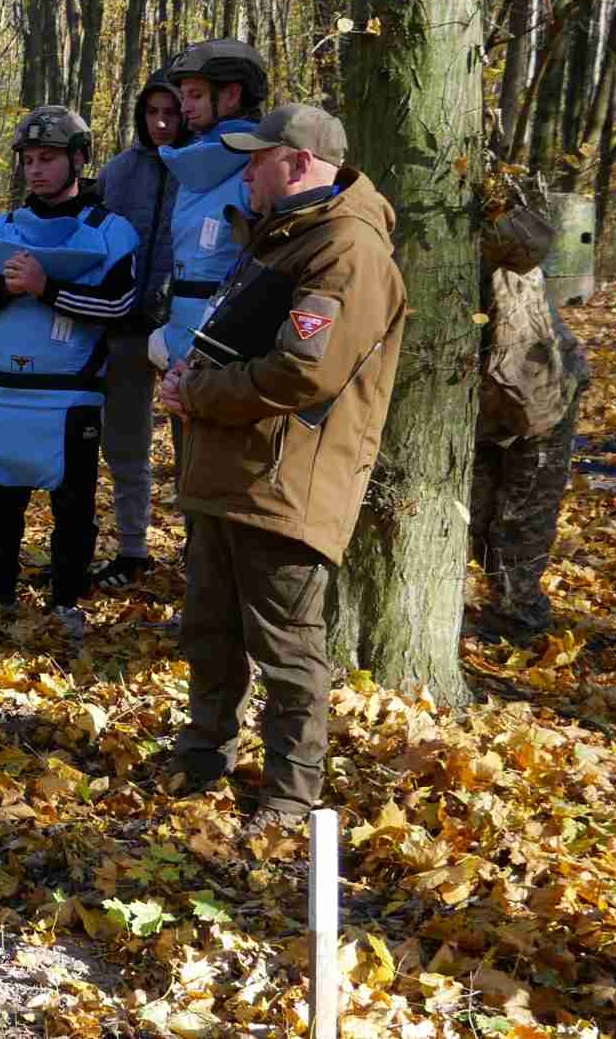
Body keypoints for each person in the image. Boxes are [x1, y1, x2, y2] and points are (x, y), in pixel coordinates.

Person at [157, 104, 405, 833]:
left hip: (285, 482)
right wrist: (188, 382)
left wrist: (197, 393)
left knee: (288, 649)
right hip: (229, 473)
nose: (247, 172)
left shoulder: (347, 250)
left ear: (296, 164)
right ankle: (205, 756)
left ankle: (292, 799)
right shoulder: (281, 238)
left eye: (257, 160)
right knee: (210, 628)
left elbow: (304, 373)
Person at [0, 107, 139, 637]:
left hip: (69, 394)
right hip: (0, 390)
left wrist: (46, 288)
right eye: (30, 160)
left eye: (49, 159)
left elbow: (119, 304)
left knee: (73, 506)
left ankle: (65, 603)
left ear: (79, 160)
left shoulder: (109, 231)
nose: (36, 170)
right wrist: (6, 287)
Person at [469, 194, 590, 638]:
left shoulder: (502, 240)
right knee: (478, 517)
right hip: (487, 406)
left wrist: (488, 208)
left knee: (523, 518)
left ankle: (522, 617)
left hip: (544, 394)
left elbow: (533, 239)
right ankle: (506, 605)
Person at [89, 70, 189, 589]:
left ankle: (200, 552)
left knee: (193, 449)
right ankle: (133, 549)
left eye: (171, 112)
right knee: (124, 442)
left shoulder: (208, 171)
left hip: (188, 332)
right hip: (124, 327)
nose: (162, 122)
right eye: (152, 113)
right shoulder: (119, 172)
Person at [150, 40, 267, 388]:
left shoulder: (264, 166)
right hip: (189, 356)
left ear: (231, 95)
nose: (183, 107)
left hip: (231, 366)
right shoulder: (191, 164)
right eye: (183, 95)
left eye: (195, 95)